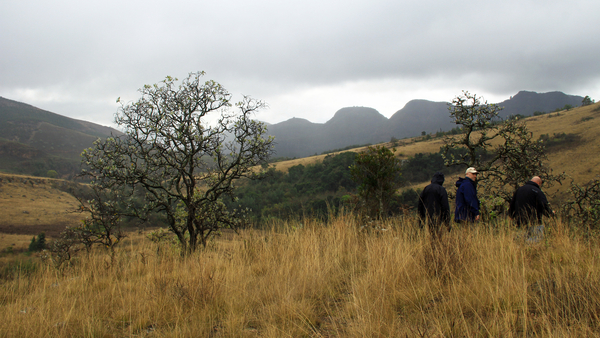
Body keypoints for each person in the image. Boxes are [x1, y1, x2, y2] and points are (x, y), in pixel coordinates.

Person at [418, 172, 451, 239]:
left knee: (429, 236)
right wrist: (447, 222)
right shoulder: (441, 190)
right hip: (439, 218)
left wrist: (421, 220)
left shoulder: (426, 189)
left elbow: (420, 204)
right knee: (438, 237)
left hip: (427, 217)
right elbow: (445, 206)